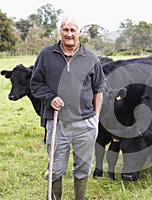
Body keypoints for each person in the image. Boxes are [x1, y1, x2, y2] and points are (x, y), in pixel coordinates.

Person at [30, 15, 105, 199]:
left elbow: (99, 89)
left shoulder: (91, 58)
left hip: (85, 123)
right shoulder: (46, 55)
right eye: (65, 29)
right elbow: (36, 84)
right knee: (55, 169)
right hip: (57, 123)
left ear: (80, 32)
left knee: (83, 168)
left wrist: (95, 118)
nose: (69, 34)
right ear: (60, 31)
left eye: (73, 30)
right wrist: (50, 98)